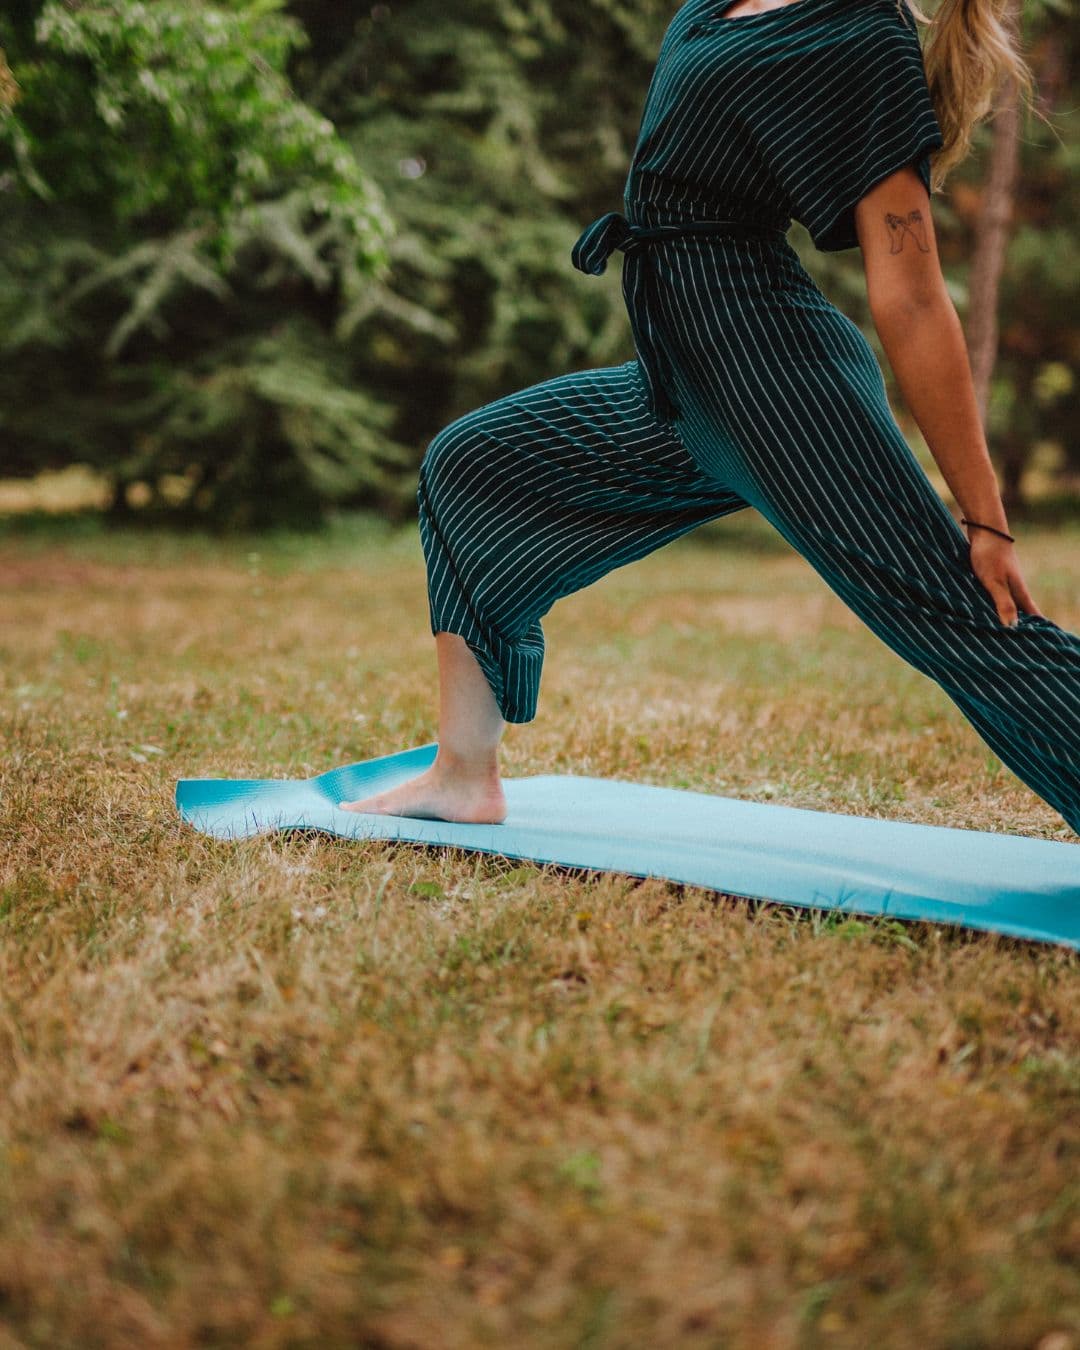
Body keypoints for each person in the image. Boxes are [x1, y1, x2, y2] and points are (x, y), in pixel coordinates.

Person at [340, 0, 1080, 834]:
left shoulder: (858, 33)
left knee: (957, 620)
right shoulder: (716, 5)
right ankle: (463, 776)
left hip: (776, 383)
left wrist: (986, 517)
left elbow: (910, 294)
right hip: (684, 378)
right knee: (472, 465)